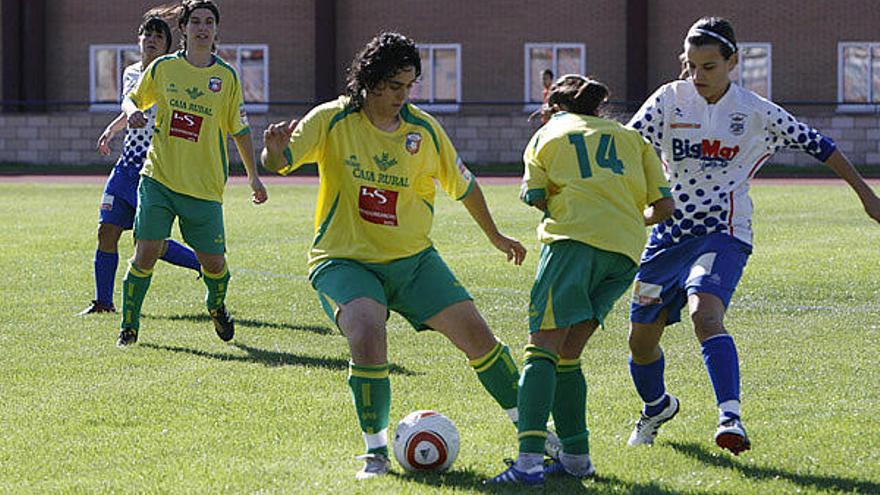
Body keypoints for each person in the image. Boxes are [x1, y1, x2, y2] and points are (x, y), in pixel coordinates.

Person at [261, 32, 527, 480]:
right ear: (368, 82)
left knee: (479, 338)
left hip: (414, 261)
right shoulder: (332, 119)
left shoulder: (423, 131)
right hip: (344, 260)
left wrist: (496, 236)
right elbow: (281, 161)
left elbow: (464, 185)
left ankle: (535, 436)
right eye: (393, 86)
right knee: (366, 329)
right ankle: (376, 452)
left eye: (408, 86)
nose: (401, 97)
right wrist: (272, 150)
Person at [625, 16, 880, 455]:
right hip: (667, 235)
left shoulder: (755, 111)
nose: (698, 76)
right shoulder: (669, 98)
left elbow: (821, 145)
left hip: (723, 232)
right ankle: (656, 408)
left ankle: (731, 418)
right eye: (691, 66)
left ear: (733, 62)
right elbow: (628, 148)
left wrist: (866, 196)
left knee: (703, 313)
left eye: (709, 66)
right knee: (640, 341)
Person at [487, 75, 674, 486]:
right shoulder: (631, 139)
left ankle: (528, 464)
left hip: (572, 245)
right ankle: (576, 459)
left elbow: (534, 196)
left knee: (542, 352)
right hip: (624, 254)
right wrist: (623, 216)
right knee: (569, 354)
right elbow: (663, 205)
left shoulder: (548, 133)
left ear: (554, 108)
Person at [118, 0, 267, 347]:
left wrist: (254, 177)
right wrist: (131, 113)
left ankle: (216, 306)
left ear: (216, 30)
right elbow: (131, 99)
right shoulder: (164, 68)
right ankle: (129, 327)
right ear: (183, 29)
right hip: (159, 178)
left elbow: (240, 130)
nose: (202, 28)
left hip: (204, 187)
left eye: (209, 22)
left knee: (214, 264)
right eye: (196, 22)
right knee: (146, 251)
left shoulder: (226, 77)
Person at [78, 14, 202, 316]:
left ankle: (203, 263)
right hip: (126, 165)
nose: (152, 39)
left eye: (159, 36)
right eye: (148, 34)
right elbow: (131, 103)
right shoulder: (131, 72)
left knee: (150, 242)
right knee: (106, 230)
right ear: (139, 38)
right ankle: (104, 303)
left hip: (155, 168)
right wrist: (114, 128)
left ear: (167, 46)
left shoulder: (175, 74)